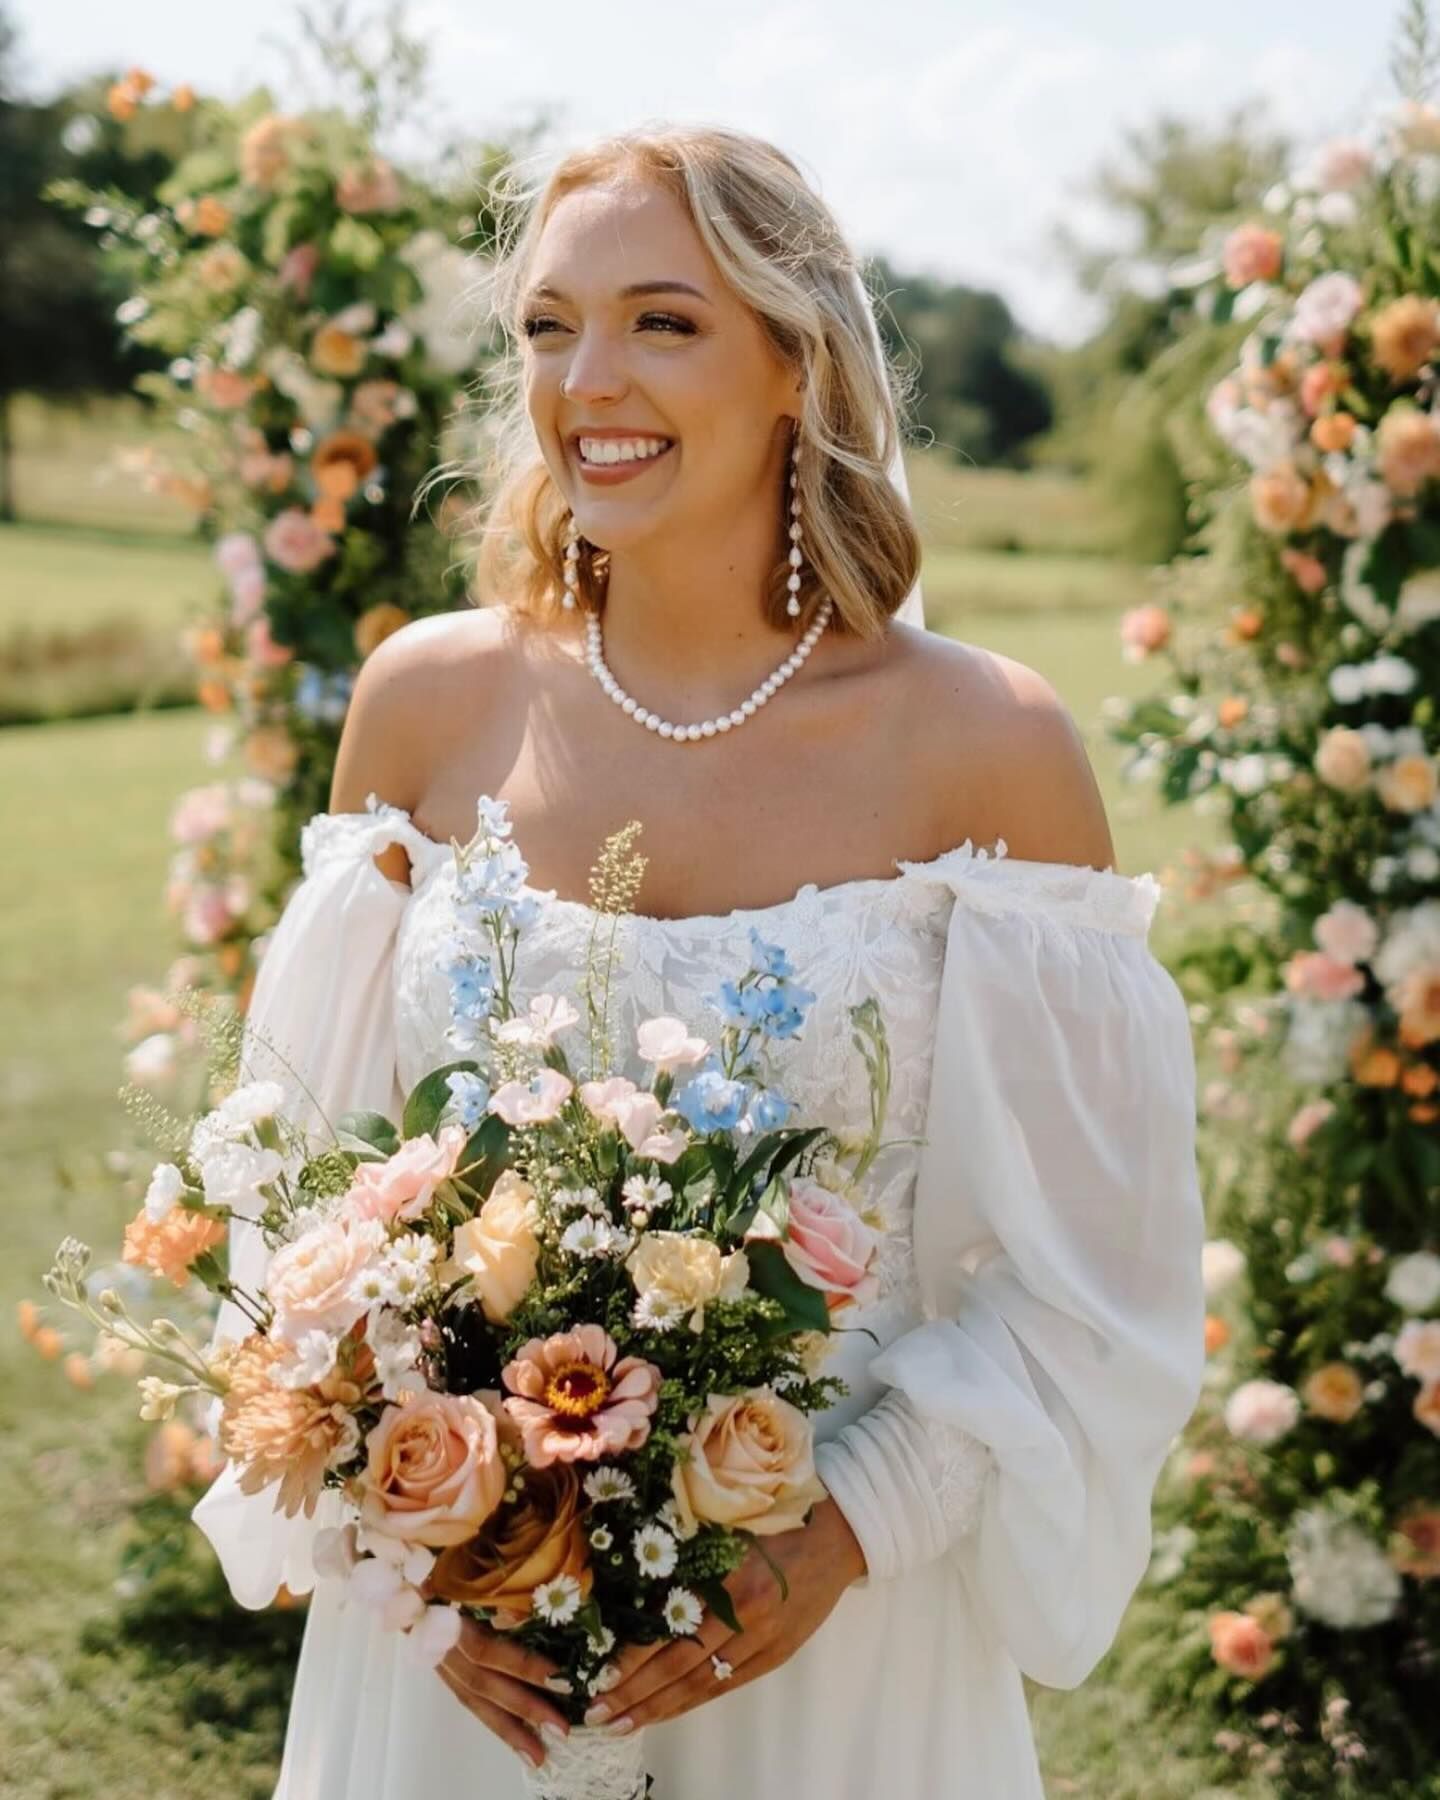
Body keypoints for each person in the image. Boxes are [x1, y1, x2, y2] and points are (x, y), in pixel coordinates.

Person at [192, 122, 1206, 1799]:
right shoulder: (424, 703)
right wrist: (404, 1537)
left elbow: (1095, 1274)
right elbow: (303, 1203)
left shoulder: (989, 744)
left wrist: (851, 1527)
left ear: (798, 367)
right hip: (461, 1659)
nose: (587, 378)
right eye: (548, 325)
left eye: (662, 320)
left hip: (832, 1650)